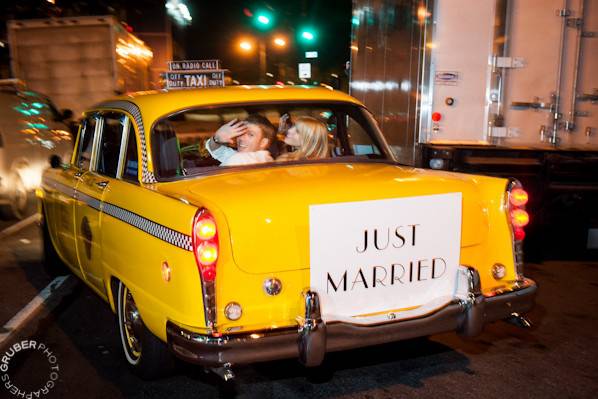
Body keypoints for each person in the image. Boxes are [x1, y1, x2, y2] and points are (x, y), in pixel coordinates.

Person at [206, 114, 276, 166]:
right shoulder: (259, 158)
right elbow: (219, 151)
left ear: (263, 143)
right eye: (241, 132)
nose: (241, 138)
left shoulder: (240, 159)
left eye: (250, 134)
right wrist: (217, 138)